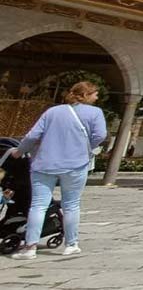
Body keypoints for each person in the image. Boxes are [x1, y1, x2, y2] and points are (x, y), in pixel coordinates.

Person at [9, 81, 107, 260]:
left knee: (38, 205)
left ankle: (30, 247)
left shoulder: (53, 112)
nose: (97, 97)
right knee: (71, 204)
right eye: (95, 94)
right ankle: (71, 244)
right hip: (76, 164)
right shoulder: (95, 113)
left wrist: (19, 151)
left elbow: (32, 135)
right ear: (85, 95)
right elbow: (100, 135)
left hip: (44, 163)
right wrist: (86, 147)